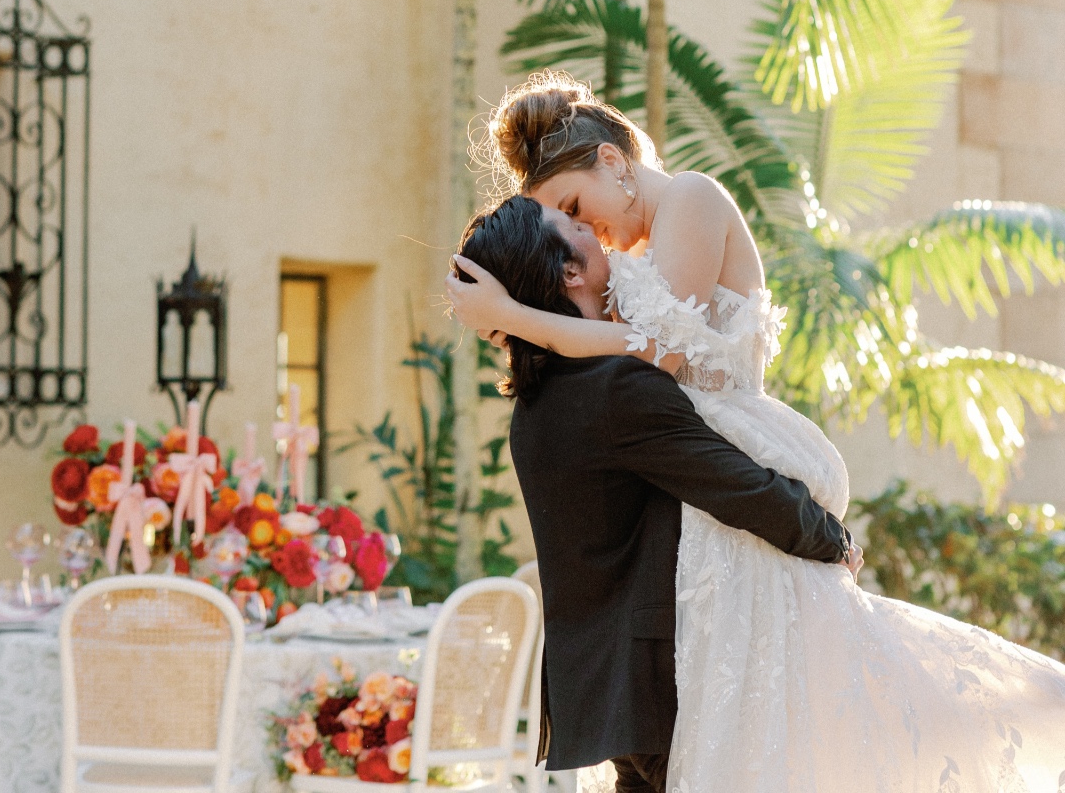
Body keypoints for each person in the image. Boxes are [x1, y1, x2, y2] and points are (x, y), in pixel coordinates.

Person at [447, 74, 1065, 793]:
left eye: (578, 210)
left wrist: (520, 319)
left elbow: (661, 352)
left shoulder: (692, 201)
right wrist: (524, 311)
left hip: (734, 472)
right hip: (706, 535)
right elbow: (646, 359)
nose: (592, 232)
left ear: (615, 162)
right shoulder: (612, 340)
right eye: (571, 226)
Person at [455, 193, 859, 793]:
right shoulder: (616, 387)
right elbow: (736, 485)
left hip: (612, 690)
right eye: (573, 225)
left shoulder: (539, 403)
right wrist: (832, 539)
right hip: (661, 687)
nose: (595, 231)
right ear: (571, 271)